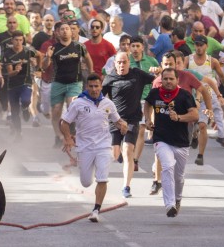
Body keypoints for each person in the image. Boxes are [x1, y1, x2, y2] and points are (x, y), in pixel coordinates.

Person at [60, 74, 127, 223]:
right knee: (86, 182)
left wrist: (122, 125)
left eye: (96, 86)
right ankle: (88, 173)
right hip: (84, 147)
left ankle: (96, 209)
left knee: (102, 178)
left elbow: (117, 120)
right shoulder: (78, 103)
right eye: (91, 86)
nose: (94, 89)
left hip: (103, 146)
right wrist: (68, 138)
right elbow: (64, 122)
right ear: (86, 87)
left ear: (101, 87)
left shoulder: (108, 103)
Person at [144, 68, 199, 217]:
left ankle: (178, 198)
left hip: (181, 142)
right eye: (165, 79)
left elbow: (194, 115)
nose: (168, 82)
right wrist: (148, 120)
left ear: (177, 80)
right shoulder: (155, 93)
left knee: (179, 177)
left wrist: (179, 118)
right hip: (161, 139)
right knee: (167, 166)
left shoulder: (184, 95)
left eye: (171, 79)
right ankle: (169, 205)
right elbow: (147, 104)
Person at [102, 52, 156, 198]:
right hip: (115, 120)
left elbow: (156, 81)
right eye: (119, 62)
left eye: (124, 62)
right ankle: (121, 157)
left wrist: (159, 71)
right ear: (115, 64)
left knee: (127, 151)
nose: (121, 65)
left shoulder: (137, 74)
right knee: (116, 154)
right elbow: (99, 97)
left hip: (132, 119)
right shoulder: (110, 78)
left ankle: (126, 186)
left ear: (128, 63)